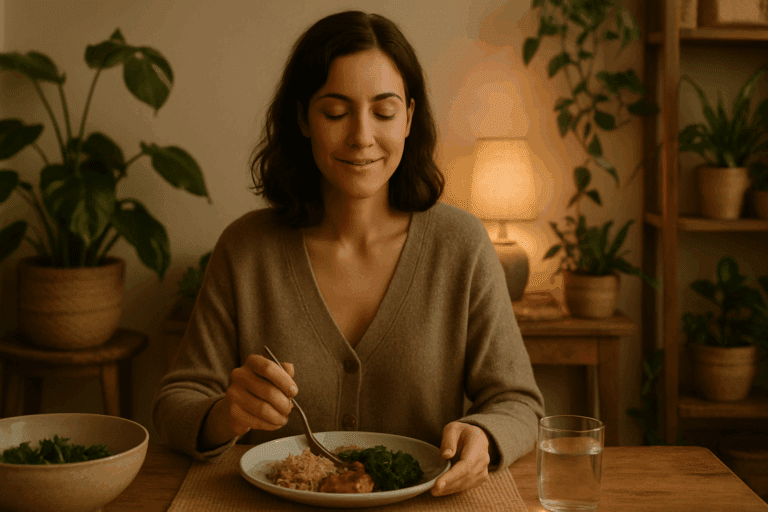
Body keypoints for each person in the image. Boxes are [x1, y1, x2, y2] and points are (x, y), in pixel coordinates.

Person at [151, 10, 544, 497]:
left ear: (409, 119)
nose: (361, 136)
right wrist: (223, 415)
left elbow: (518, 402)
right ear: (303, 118)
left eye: (383, 112)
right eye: (336, 112)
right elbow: (174, 404)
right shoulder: (245, 249)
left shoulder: (460, 245)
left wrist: (483, 435)